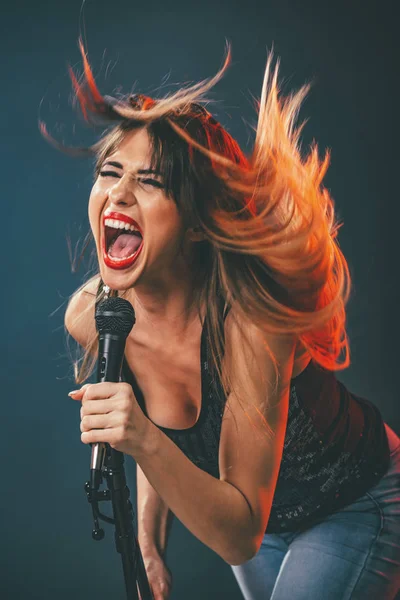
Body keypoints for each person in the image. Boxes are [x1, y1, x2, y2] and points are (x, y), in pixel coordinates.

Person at [42, 40, 400, 599]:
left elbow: (237, 537)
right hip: (262, 522)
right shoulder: (97, 316)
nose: (119, 194)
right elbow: (158, 413)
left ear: (196, 225)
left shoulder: (249, 323)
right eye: (110, 172)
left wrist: (138, 436)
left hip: (356, 502)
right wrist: (148, 544)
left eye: (151, 182)